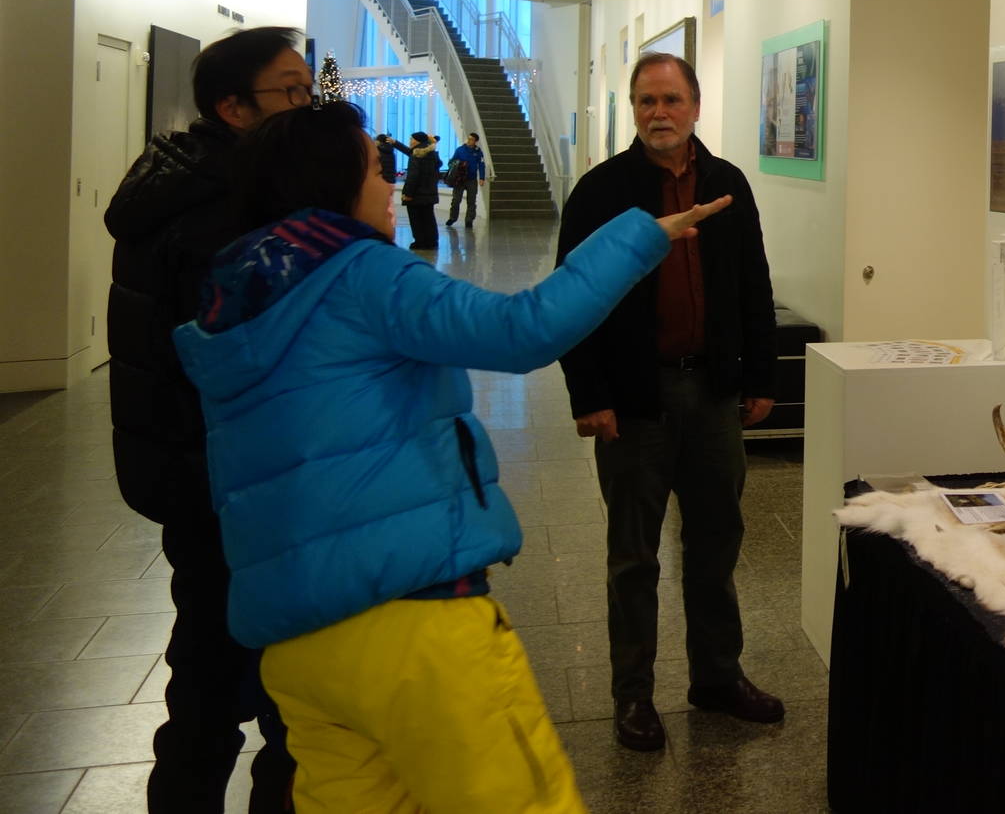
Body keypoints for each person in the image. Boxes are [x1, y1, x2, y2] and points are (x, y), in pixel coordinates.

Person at [173, 100, 730, 814]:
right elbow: (521, 329)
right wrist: (641, 238)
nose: (394, 186)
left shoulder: (238, 303)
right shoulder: (359, 274)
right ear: (335, 183)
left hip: (297, 647)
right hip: (412, 630)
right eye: (379, 170)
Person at [103, 25, 307, 812]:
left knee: (209, 689)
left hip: (201, 481)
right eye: (288, 91)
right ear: (232, 107)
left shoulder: (182, 188)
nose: (303, 105)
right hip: (231, 487)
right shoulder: (218, 216)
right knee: (248, 692)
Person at [555, 53, 784, 750]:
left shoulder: (726, 183)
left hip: (712, 392)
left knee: (716, 542)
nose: (660, 112)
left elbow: (752, 282)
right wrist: (589, 394)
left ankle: (717, 675)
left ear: (696, 105)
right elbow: (570, 298)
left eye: (672, 99)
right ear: (633, 108)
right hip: (633, 399)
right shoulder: (602, 191)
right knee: (634, 557)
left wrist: (760, 376)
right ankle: (633, 696)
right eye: (647, 100)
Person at [399, 131, 441, 251]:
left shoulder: (416, 155)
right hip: (430, 193)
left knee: (416, 219)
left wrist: (408, 193)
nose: (410, 141)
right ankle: (432, 241)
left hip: (417, 194)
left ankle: (420, 241)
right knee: (429, 218)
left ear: (417, 141)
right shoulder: (432, 154)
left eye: (411, 139)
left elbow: (413, 176)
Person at [446, 131, 486, 228]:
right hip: (460, 179)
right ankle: (452, 218)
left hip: (472, 180)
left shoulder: (478, 152)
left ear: (475, 141)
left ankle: (469, 220)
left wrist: (481, 178)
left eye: (471, 139)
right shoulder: (460, 150)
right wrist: (459, 164)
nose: (469, 141)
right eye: (468, 139)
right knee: (456, 200)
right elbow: (451, 162)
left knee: (471, 201)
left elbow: (481, 165)